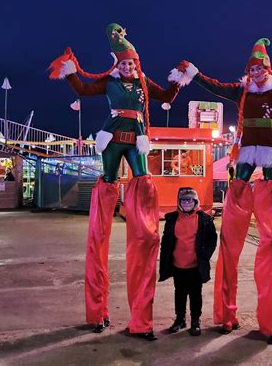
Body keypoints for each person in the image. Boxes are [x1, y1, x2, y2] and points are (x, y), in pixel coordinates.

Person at [168, 38, 272, 344]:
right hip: (245, 150)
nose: (255, 72)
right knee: (238, 191)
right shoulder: (242, 90)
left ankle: (270, 323)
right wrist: (196, 73)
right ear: (249, 70)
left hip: (270, 149)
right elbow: (215, 87)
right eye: (252, 69)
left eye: (260, 68)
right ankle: (227, 315)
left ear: (267, 69)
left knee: (270, 201)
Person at [49, 23, 182, 341]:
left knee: (142, 183)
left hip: (136, 139)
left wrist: (178, 81)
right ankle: (97, 312)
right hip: (111, 141)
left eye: (131, 63)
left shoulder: (144, 84)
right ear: (116, 64)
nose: (127, 66)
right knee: (107, 187)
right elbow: (82, 89)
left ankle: (140, 317)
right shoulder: (108, 82)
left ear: (136, 64)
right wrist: (70, 71)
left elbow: (166, 95)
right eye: (123, 63)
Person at [159, 187, 217, 336]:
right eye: (183, 200)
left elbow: (212, 239)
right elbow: (166, 241)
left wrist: (204, 256)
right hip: (178, 265)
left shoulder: (204, 219)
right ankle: (180, 319)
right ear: (178, 202)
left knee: (195, 294)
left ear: (195, 201)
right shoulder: (172, 219)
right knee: (179, 293)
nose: (186, 203)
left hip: (195, 266)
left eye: (189, 200)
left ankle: (195, 321)